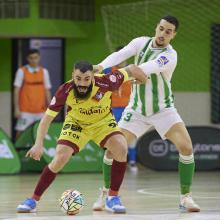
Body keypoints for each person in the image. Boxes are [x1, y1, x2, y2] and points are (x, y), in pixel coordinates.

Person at [93, 15, 200, 212]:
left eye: (168, 31)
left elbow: (147, 68)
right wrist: (101, 66)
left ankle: (185, 198)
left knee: (186, 147)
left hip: (163, 110)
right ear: (156, 27)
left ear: (173, 35)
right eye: (161, 28)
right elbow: (121, 55)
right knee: (113, 150)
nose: (162, 34)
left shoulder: (170, 55)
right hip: (136, 110)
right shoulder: (140, 42)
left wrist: (124, 74)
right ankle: (107, 193)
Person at [16, 60, 147, 214]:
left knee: (121, 147)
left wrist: (144, 81)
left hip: (102, 122)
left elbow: (131, 69)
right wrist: (38, 144)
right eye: (78, 79)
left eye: (87, 79)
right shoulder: (65, 89)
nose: (82, 83)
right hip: (76, 124)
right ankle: (33, 200)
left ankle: (112, 198)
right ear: (73, 76)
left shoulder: (107, 81)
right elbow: (46, 120)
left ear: (93, 77)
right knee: (59, 158)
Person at [103, 46, 138, 173]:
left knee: (131, 136)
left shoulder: (133, 70)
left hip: (129, 109)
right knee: (113, 137)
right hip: (112, 109)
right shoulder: (108, 70)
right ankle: (112, 162)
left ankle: (132, 161)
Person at [14, 49, 52, 138]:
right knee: (20, 132)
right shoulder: (22, 71)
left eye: (36, 58)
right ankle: (16, 150)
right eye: (31, 58)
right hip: (25, 110)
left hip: (40, 110)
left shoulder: (44, 72)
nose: (34, 60)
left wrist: (50, 107)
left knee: (42, 132)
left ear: (39, 58)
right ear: (27, 59)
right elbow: (16, 90)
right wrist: (16, 108)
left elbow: (47, 90)